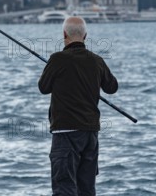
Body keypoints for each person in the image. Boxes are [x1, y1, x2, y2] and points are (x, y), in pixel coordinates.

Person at [38, 16, 118, 195]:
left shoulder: (57, 59)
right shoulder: (96, 60)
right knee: (86, 188)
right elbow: (112, 87)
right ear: (85, 36)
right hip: (90, 134)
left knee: (64, 187)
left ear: (64, 34)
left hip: (65, 133)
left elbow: (43, 88)